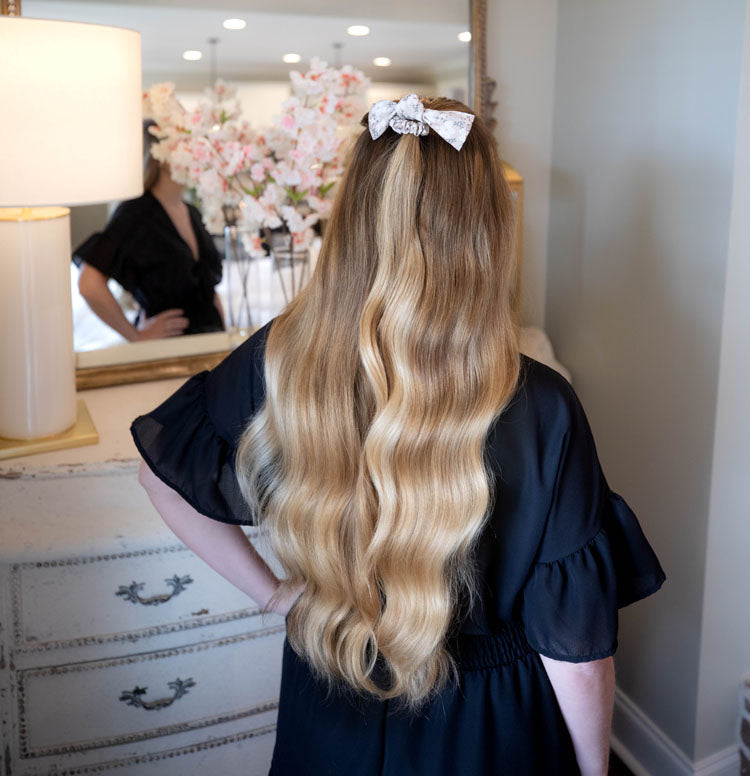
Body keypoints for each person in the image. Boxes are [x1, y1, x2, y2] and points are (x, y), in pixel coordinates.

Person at [131, 95, 665, 775]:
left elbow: (160, 473)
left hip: (328, 698)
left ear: (355, 215)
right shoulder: (543, 405)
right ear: (484, 227)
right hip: (484, 726)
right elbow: (578, 659)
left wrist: (275, 593)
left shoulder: (284, 357)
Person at [73, 123, 225, 341]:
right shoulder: (135, 213)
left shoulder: (192, 213)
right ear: (160, 154)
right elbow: (89, 283)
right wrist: (136, 336)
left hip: (210, 347)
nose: (195, 152)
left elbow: (206, 290)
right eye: (186, 144)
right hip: (169, 355)